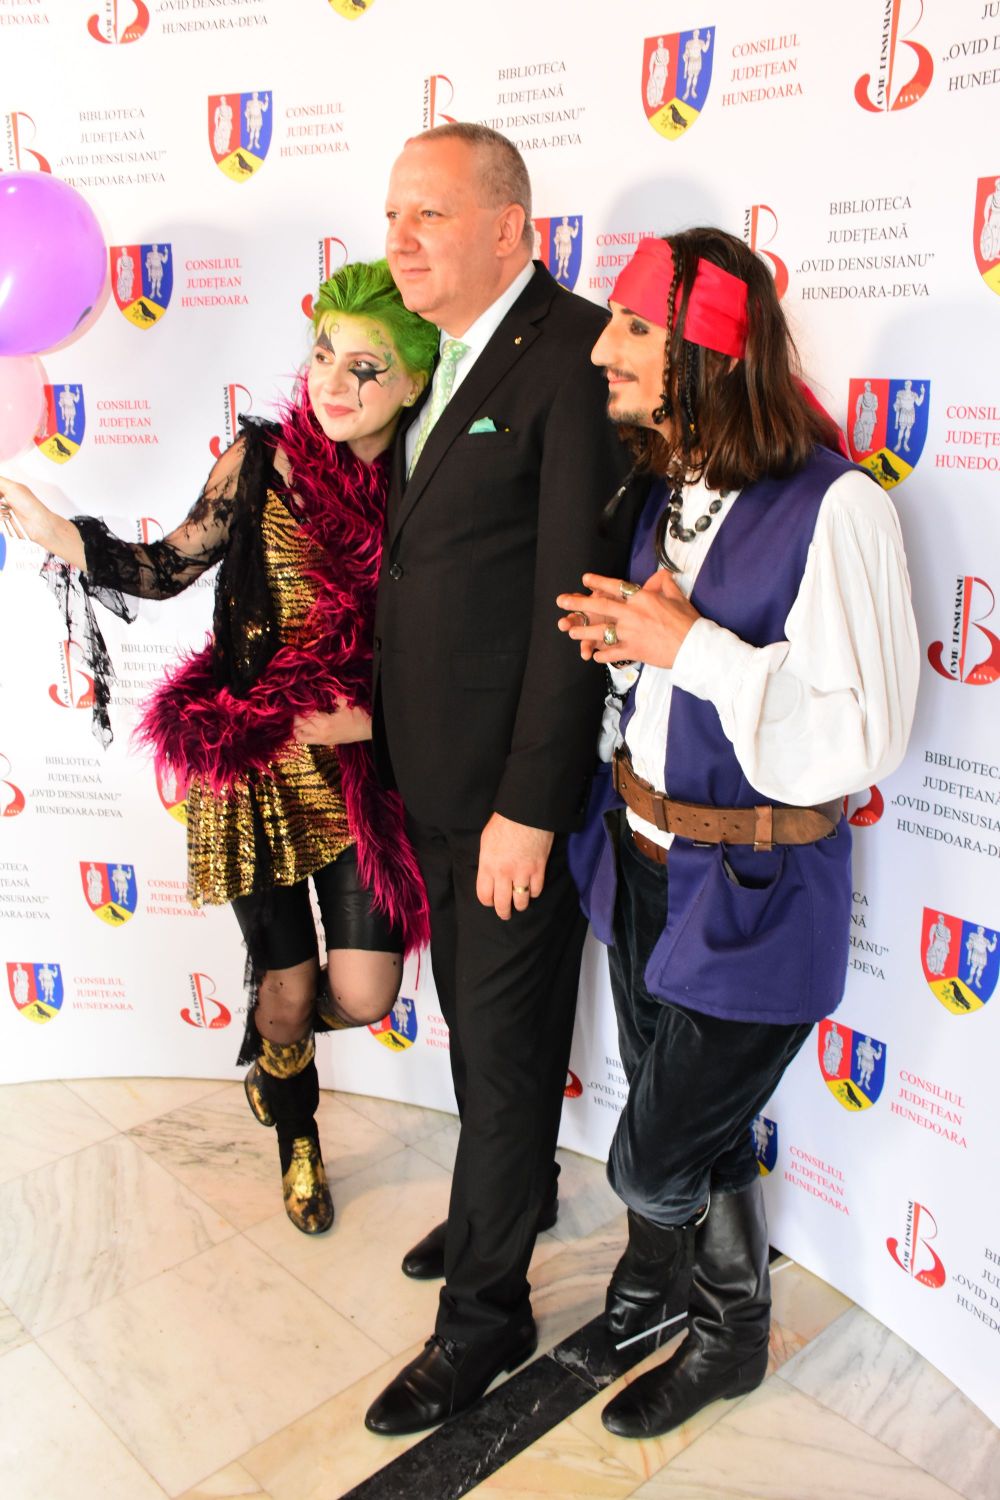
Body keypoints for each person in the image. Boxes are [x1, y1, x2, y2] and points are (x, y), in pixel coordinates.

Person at [556, 229, 918, 1438]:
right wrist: (630, 650)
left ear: (706, 348)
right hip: (643, 859)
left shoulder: (836, 506)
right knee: (695, 1129)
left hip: (753, 890)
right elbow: (671, 685)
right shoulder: (670, 491)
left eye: (633, 328)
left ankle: (700, 1306)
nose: (602, 350)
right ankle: (710, 1320)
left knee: (653, 1158)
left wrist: (688, 646)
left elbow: (862, 735)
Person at [0, 260, 437, 1236]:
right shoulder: (263, 460)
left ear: (414, 382)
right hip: (252, 760)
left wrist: (375, 719)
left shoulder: (431, 484)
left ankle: (273, 1057)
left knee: (364, 992)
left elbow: (456, 644)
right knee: (286, 987)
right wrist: (59, 532)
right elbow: (166, 568)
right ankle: (297, 1132)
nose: (331, 382)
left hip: (359, 770)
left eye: (363, 367)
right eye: (322, 354)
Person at [365, 122, 635, 1435]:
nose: (399, 241)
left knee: (511, 1053)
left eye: (428, 214)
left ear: (511, 228)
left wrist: (529, 805)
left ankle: (486, 1319)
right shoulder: (437, 356)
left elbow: (571, 608)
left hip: (508, 801)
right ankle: (508, 1203)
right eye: (391, 215)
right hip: (429, 781)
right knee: (480, 1036)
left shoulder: (572, 356)